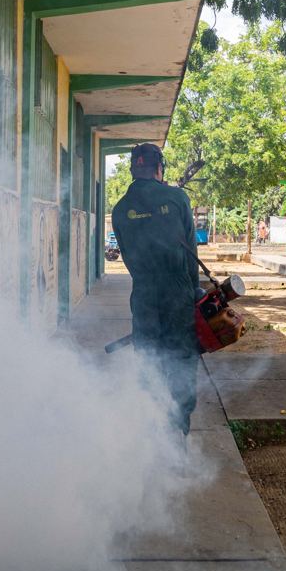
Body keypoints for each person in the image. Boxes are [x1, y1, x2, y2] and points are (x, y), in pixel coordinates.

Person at [112, 143, 200, 436]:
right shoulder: (176, 198)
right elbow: (191, 252)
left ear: (133, 170)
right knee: (181, 360)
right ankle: (178, 435)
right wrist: (193, 291)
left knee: (148, 361)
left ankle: (151, 437)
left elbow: (126, 257)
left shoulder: (121, 209)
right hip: (178, 293)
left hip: (144, 296)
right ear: (159, 169)